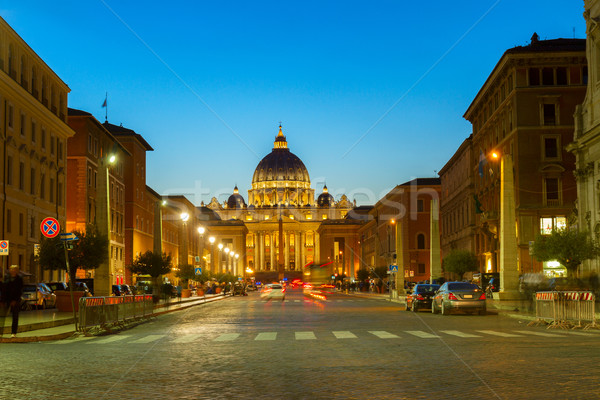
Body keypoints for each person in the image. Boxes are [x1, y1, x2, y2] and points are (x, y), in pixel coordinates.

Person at [1, 265, 24, 338]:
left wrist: (15, 300)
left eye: (14, 269)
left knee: (15, 316)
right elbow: (4, 290)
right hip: (6, 299)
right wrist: (2, 300)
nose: (12, 270)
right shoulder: (6, 278)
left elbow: (19, 290)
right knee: (2, 317)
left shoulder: (19, 279)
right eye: (11, 269)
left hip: (15, 300)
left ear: (17, 271)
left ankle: (13, 332)